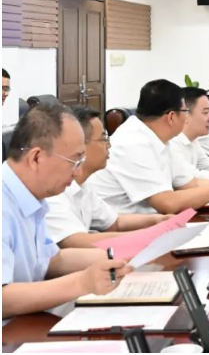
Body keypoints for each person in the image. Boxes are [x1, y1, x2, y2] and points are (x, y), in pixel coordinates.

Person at [2, 105, 132, 323]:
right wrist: (82, 282)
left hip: (27, 321)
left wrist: (123, 255)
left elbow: (51, 260)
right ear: (36, 158)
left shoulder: (32, 197)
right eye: (75, 161)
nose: (78, 171)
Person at [88, 79, 209, 214]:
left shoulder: (161, 139)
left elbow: (190, 183)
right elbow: (168, 203)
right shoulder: (134, 142)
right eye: (185, 112)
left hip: (150, 222)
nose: (186, 118)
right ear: (171, 117)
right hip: (118, 231)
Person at [46, 106, 169, 248]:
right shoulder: (53, 191)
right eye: (103, 138)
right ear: (80, 145)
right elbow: (78, 241)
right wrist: (149, 235)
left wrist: (157, 220)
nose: (109, 145)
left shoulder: (84, 185)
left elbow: (115, 222)